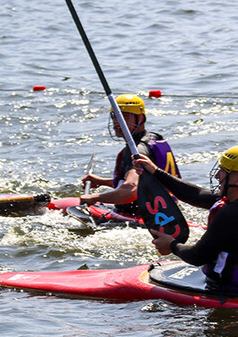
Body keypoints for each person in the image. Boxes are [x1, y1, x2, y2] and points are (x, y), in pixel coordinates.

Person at [138, 146, 238, 292]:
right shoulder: (232, 203)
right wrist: (155, 171)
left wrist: (172, 245)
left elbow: (197, 256)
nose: (217, 175)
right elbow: (196, 194)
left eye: (224, 171)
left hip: (228, 288)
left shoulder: (230, 213)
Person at [80, 94, 179, 215]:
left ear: (141, 119)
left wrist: (94, 198)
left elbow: (131, 189)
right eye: (115, 117)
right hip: (168, 212)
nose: (117, 123)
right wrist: (102, 182)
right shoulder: (153, 139)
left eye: (124, 117)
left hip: (145, 217)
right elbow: (144, 182)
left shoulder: (136, 151)